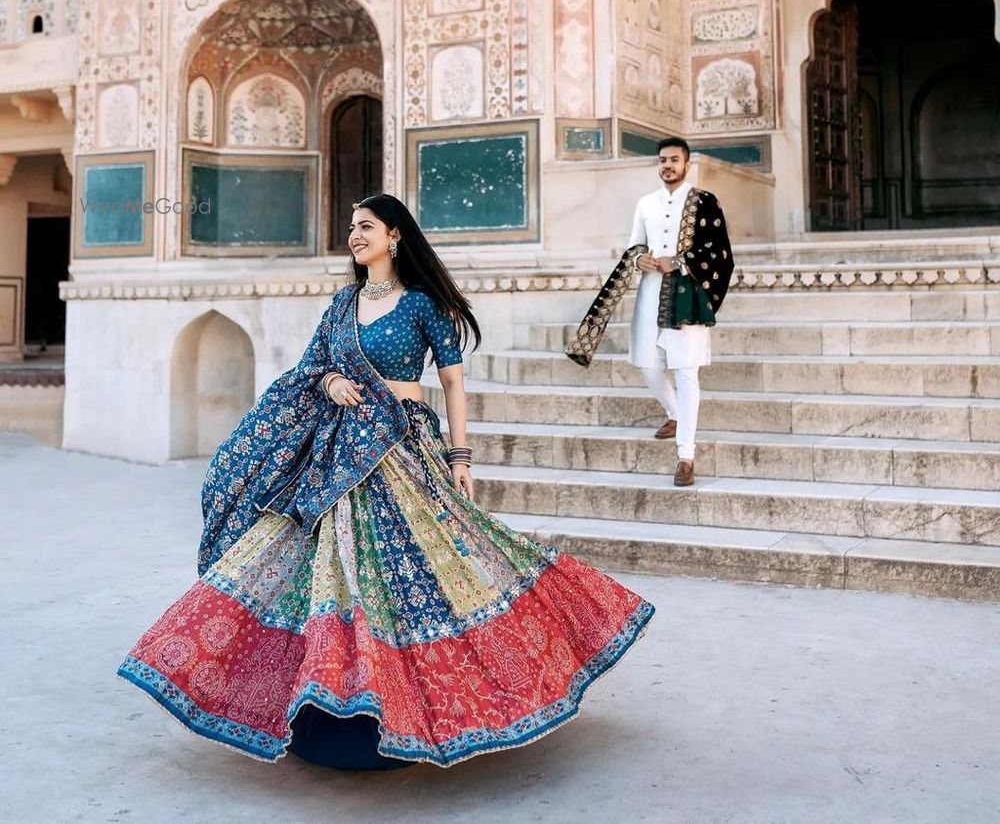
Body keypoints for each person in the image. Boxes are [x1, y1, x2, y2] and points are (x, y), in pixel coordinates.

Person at [118, 193, 654, 769]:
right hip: (339, 451)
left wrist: (462, 456)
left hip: (400, 448)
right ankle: (322, 701)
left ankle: (434, 701)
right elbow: (310, 368)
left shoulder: (423, 306)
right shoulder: (342, 304)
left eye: (366, 226)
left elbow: (452, 385)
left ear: (394, 236)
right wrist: (328, 386)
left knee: (430, 567)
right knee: (319, 565)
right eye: (351, 227)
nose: (354, 234)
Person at [628, 138, 733, 487]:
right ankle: (674, 413)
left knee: (686, 373)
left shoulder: (704, 202)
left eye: (674, 159)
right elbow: (633, 247)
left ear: (687, 164)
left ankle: (685, 456)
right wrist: (639, 259)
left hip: (687, 296)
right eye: (663, 160)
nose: (667, 165)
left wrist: (678, 262)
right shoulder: (645, 203)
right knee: (647, 364)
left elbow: (719, 251)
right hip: (650, 295)